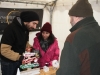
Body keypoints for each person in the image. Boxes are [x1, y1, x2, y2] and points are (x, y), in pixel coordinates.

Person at [56, 0, 100, 75]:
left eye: (70, 17)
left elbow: (66, 72)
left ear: (76, 17)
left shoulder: (74, 38)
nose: (70, 21)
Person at [0, 11, 39, 75]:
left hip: (19, 60)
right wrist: (20, 57)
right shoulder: (11, 29)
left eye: (36, 24)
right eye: (34, 23)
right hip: (8, 63)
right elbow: (4, 50)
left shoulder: (25, 29)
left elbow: (24, 43)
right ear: (27, 20)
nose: (35, 27)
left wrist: (33, 49)